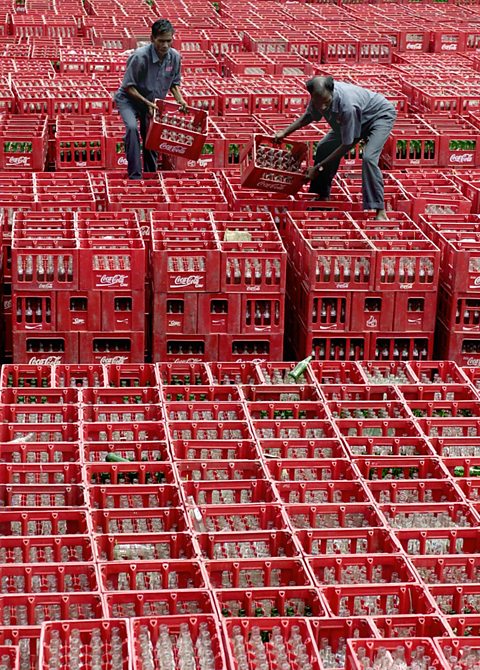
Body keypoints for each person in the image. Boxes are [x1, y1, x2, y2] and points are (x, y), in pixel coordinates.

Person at [274, 76, 397, 220]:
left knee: (369, 158)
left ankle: (379, 210)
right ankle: (322, 196)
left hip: (378, 116)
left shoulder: (347, 106)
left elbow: (347, 144)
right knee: (323, 147)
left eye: (326, 103)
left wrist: (318, 167)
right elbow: (308, 116)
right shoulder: (318, 97)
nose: (323, 108)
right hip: (354, 120)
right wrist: (285, 132)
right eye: (319, 104)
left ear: (332, 92)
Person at [115, 18, 188, 180]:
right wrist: (147, 103)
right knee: (133, 129)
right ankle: (135, 175)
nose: (165, 45)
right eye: (161, 41)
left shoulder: (174, 57)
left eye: (169, 41)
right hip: (130, 100)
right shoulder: (140, 57)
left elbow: (174, 83)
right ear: (152, 39)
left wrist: (180, 100)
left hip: (151, 103)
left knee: (151, 135)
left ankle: (150, 173)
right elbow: (128, 86)